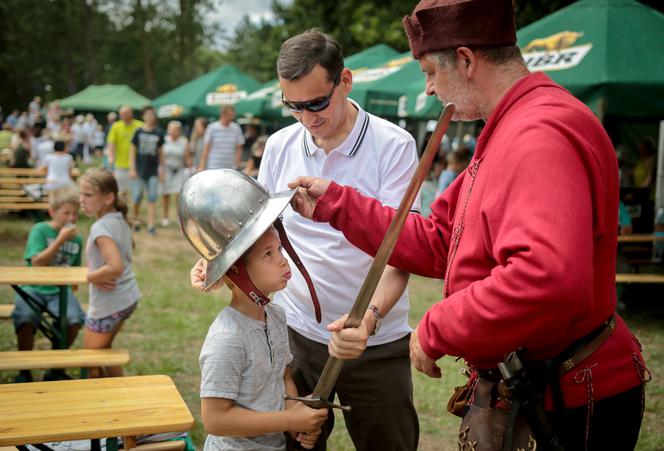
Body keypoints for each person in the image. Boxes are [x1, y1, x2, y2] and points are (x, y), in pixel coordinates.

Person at [287, 2, 649, 450]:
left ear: (465, 59)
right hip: (539, 388)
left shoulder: (540, 133)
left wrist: (438, 326)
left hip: (569, 398)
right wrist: (337, 203)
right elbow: (439, 239)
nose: (429, 89)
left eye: (430, 72)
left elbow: (546, 278)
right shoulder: (509, 128)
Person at [191, 29, 421, 450]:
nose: (307, 118)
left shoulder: (393, 145)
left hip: (375, 340)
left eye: (317, 103)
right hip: (297, 333)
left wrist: (367, 318)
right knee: (296, 444)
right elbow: (256, 229)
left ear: (345, 81)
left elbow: (400, 254)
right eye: (293, 106)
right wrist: (218, 259)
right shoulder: (280, 145)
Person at [183, 170, 329, 450]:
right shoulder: (228, 337)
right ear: (236, 272)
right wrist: (288, 420)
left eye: (280, 250)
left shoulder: (275, 315)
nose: (283, 262)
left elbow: (283, 376)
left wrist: (297, 422)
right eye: (268, 255)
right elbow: (215, 420)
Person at [11, 186, 86, 382]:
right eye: (66, 213)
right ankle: (23, 369)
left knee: (74, 319)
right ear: (53, 212)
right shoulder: (40, 230)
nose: (71, 218)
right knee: (26, 317)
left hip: (59, 292)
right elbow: (36, 262)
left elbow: (75, 271)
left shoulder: (77, 239)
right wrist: (60, 240)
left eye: (75, 214)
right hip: (33, 288)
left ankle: (55, 367)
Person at [79, 168, 141, 378]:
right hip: (126, 298)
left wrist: (89, 277)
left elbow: (115, 267)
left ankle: (97, 402)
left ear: (108, 198)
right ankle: (119, 396)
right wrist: (100, 275)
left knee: (90, 360)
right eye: (81, 194)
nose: (81, 200)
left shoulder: (101, 228)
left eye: (88, 195)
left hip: (109, 304)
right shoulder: (118, 219)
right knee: (104, 353)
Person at [129, 106, 165, 235]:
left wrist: (162, 169)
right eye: (147, 115)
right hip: (139, 170)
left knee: (152, 197)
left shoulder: (159, 133)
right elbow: (132, 151)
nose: (150, 117)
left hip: (153, 171)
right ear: (143, 117)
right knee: (137, 196)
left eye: (152, 114)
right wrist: (132, 168)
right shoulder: (138, 132)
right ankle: (135, 220)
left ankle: (151, 226)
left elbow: (161, 153)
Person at [106, 106, 144, 200]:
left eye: (125, 114)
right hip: (120, 164)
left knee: (136, 191)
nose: (122, 116)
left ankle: (134, 211)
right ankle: (123, 210)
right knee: (121, 191)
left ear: (131, 114)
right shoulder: (116, 126)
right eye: (121, 114)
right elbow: (111, 143)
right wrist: (111, 156)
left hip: (137, 165)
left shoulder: (140, 126)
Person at [160, 120, 190, 227]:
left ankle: (179, 217)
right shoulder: (164, 140)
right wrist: (162, 172)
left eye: (175, 130)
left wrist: (191, 168)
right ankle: (165, 217)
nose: (172, 132)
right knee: (166, 194)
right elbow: (161, 157)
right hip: (167, 170)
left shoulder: (184, 141)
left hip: (179, 170)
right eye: (171, 130)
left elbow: (187, 157)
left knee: (179, 195)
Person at [198, 105, 244, 171]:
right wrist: (201, 166)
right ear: (223, 114)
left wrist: (237, 164)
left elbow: (239, 148)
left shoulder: (236, 128)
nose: (233, 116)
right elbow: (206, 148)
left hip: (230, 168)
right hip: (213, 166)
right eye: (230, 114)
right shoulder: (212, 127)